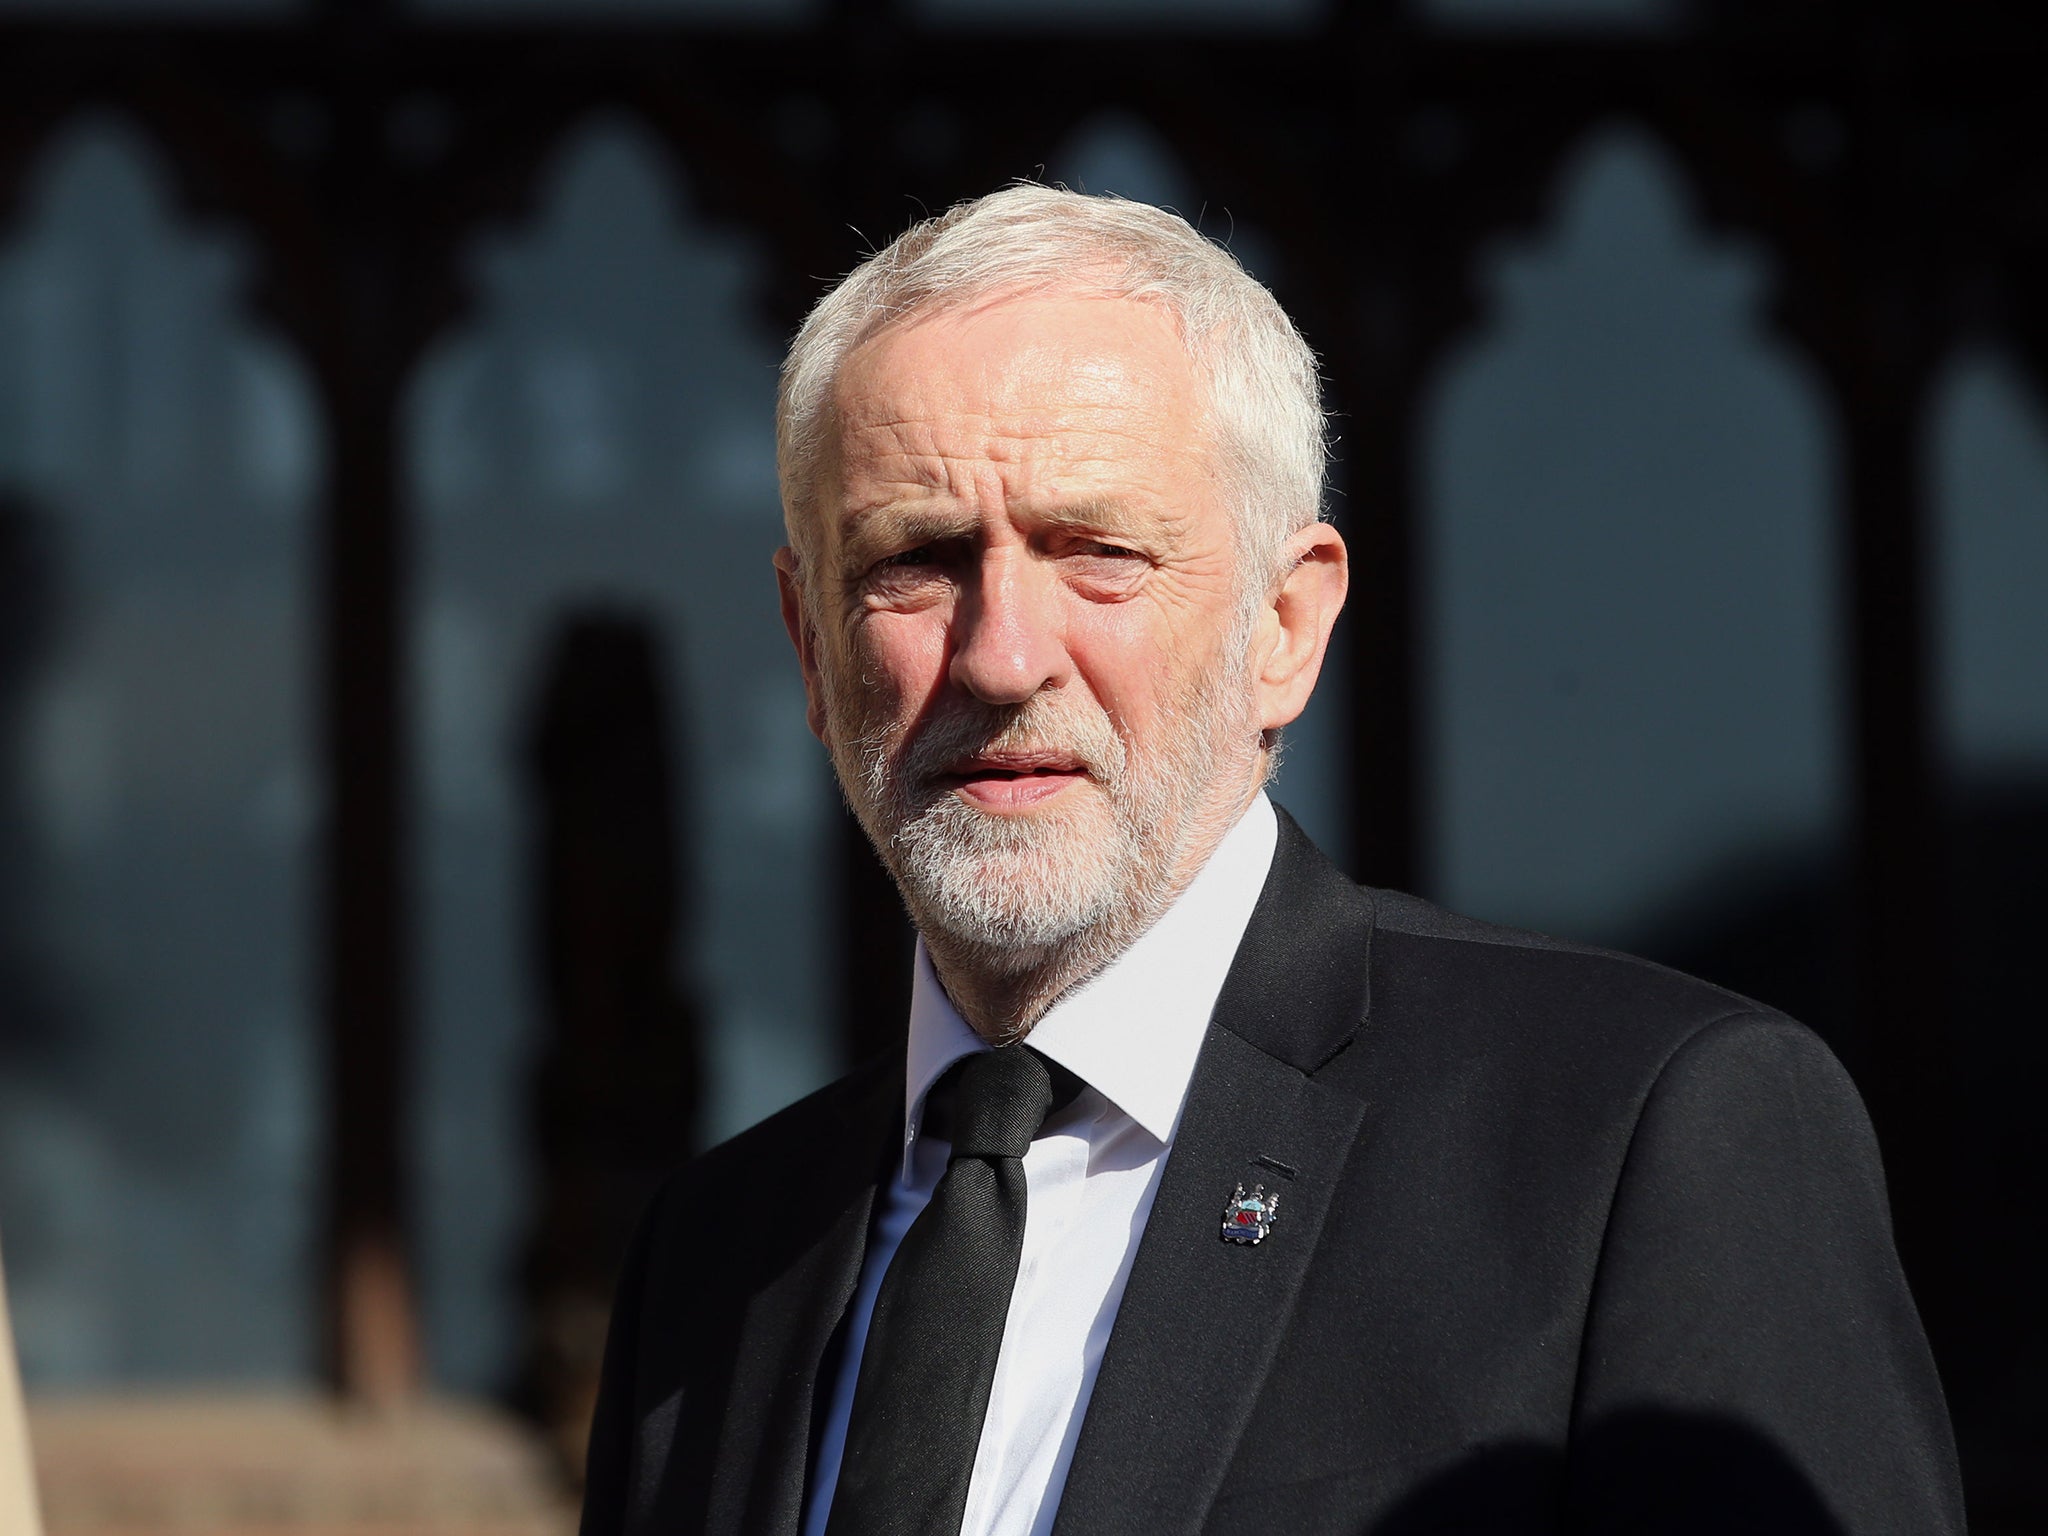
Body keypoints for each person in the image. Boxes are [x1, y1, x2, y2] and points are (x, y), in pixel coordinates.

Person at [580, 185, 1961, 1536]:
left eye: (1099, 553)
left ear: (1285, 626)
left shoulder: (1633, 1140)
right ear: (812, 647)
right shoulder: (717, 1258)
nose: (1001, 656)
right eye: (917, 561)